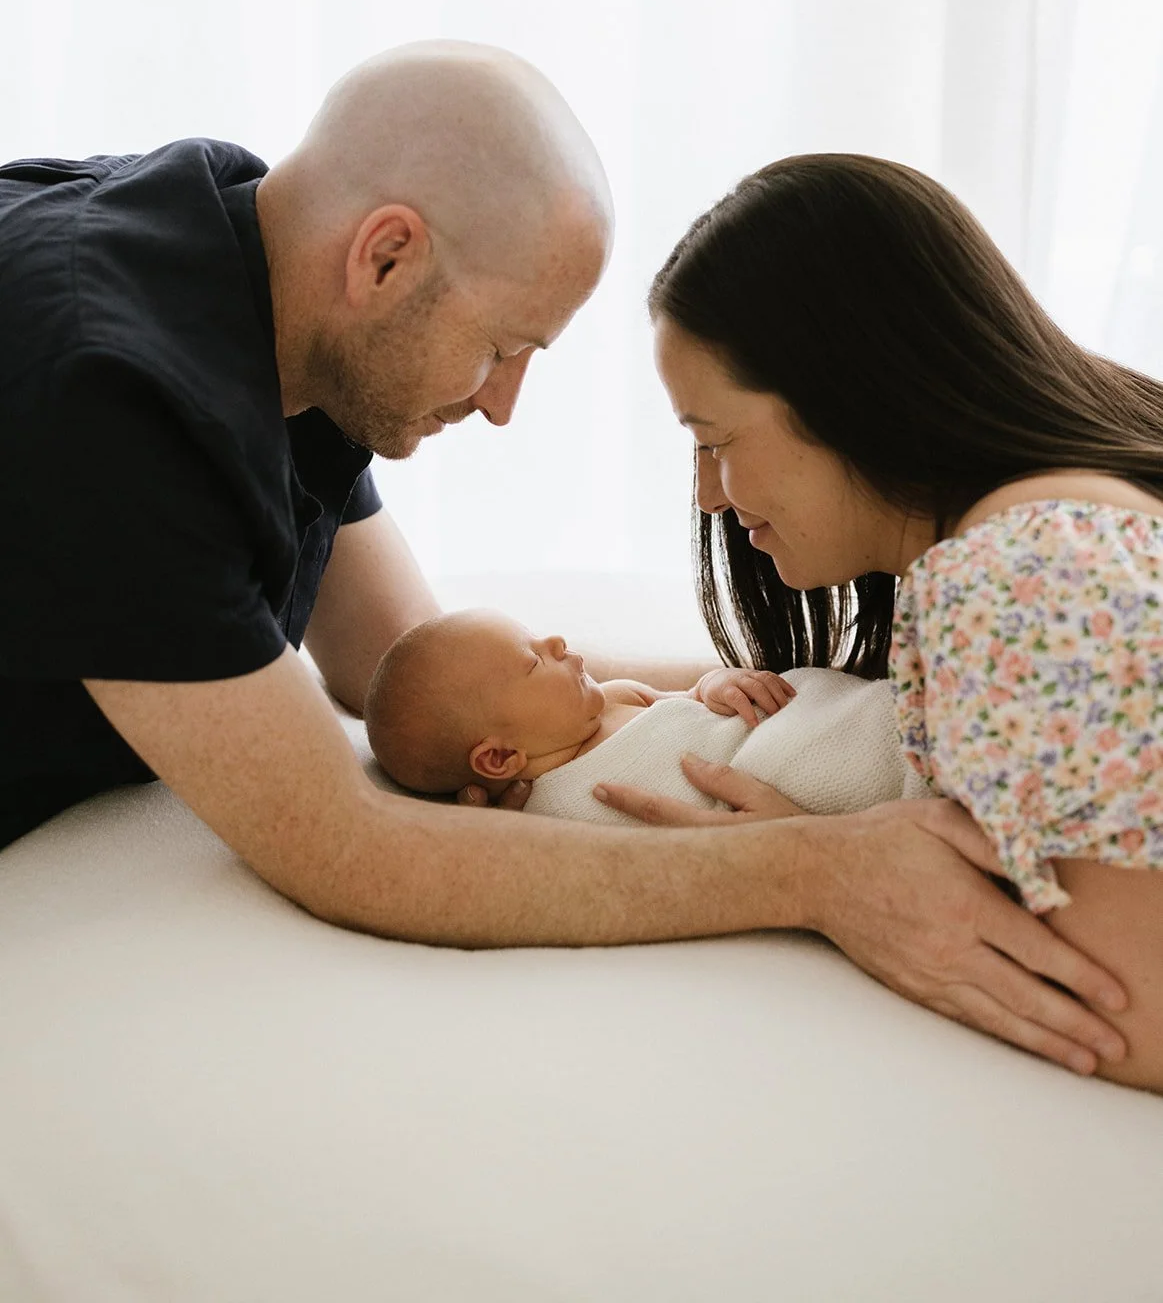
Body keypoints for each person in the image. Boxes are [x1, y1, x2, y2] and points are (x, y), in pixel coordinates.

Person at [0, 52, 1130, 1084]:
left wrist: (815, 690)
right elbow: (344, 848)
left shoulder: (256, 255)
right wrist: (815, 868)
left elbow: (398, 659)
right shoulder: (108, 392)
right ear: (383, 255)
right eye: (501, 347)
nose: (499, 405)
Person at [590, 152, 1163, 1092]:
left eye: (714, 442)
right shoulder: (1052, 527)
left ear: (848, 390)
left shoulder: (1020, 571)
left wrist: (804, 875)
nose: (705, 496)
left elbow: (1111, 1019)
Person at [364, 608, 923, 825]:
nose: (557, 639)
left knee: (877, 716)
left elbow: (693, 700)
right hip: (783, 780)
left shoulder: (616, 695)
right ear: (499, 757)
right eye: (533, 658)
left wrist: (718, 683)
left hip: (801, 720)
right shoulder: (552, 814)